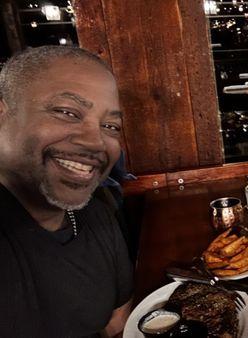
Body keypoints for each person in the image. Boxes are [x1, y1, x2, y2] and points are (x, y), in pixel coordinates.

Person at [0, 46, 133, 337]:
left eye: (110, 126)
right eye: (67, 112)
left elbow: (118, 319)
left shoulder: (97, 213)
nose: (96, 142)